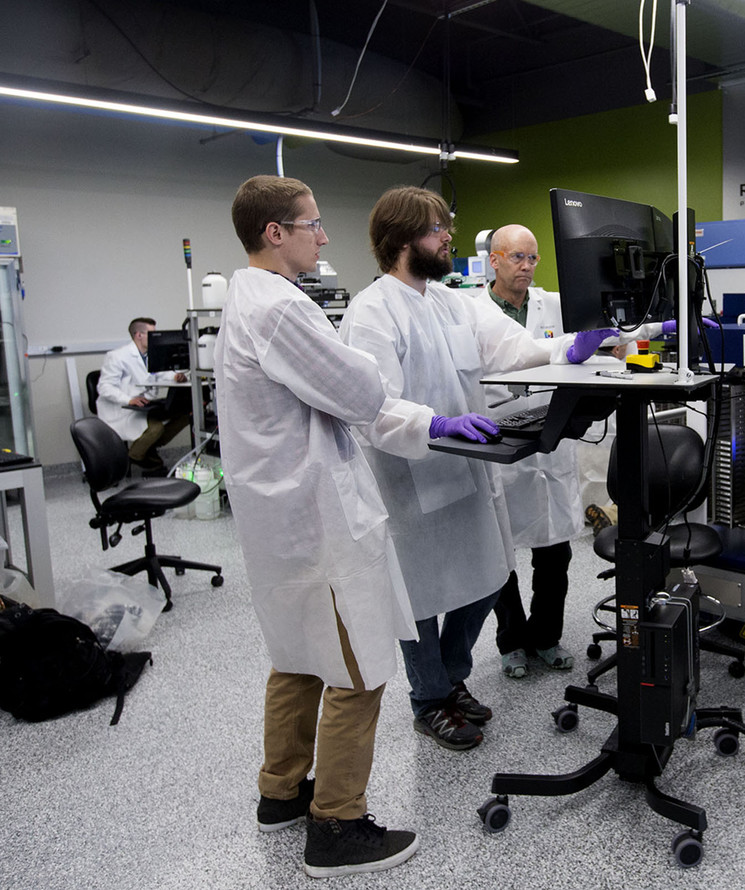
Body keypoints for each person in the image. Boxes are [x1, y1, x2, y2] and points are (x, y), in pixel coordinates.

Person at [217, 175, 462, 878]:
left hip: (278, 520)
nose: (323, 237)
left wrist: (415, 416)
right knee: (358, 671)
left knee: (295, 655)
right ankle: (338, 823)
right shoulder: (281, 310)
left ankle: (280, 791)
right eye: (312, 224)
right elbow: (358, 392)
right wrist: (427, 417)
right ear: (275, 233)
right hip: (317, 517)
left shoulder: (245, 296)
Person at [339, 187, 613, 752]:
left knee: (486, 576)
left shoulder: (451, 302)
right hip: (412, 477)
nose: (449, 238)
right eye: (438, 229)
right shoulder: (372, 311)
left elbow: (511, 349)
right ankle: (428, 700)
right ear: (403, 238)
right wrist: (436, 426)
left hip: (468, 469)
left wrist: (569, 349)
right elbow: (373, 406)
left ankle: (450, 677)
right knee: (421, 596)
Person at [481, 224, 601, 679]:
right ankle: (511, 641)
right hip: (500, 437)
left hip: (550, 440)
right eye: (517, 257)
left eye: (533, 258)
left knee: (555, 552)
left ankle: (546, 637)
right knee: (501, 555)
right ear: (494, 260)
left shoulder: (553, 304)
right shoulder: (474, 310)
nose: (528, 266)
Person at [96, 317, 190, 475]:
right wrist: (129, 399)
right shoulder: (117, 356)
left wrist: (174, 377)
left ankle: (147, 449)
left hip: (144, 405)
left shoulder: (150, 355)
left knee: (185, 416)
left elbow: (158, 374)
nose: (156, 339)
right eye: (152, 335)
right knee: (156, 428)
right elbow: (104, 387)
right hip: (123, 409)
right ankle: (135, 455)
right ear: (138, 335)